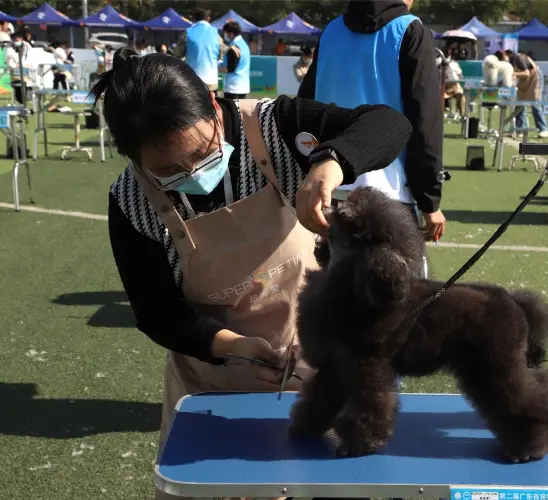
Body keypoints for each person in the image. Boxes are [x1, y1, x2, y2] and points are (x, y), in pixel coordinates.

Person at [91, 48, 412, 500]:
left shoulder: (274, 125)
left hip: (318, 363)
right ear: (132, 158)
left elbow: (389, 124)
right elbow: (157, 313)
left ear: (211, 101)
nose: (192, 173)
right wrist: (234, 347)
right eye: (167, 171)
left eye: (201, 151)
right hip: (211, 382)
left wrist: (331, 161)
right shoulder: (130, 200)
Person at [299, 0, 447, 248]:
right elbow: (425, 120)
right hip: (389, 192)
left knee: (328, 283)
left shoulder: (331, 30)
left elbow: (305, 106)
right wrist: (429, 200)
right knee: (393, 285)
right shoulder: (410, 29)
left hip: (327, 188)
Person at [506, 49, 548, 139]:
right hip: (526, 81)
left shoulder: (519, 58)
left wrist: (512, 74)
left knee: (535, 104)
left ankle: (543, 129)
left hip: (535, 78)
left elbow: (526, 73)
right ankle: (519, 130)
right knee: (520, 105)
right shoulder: (513, 61)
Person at [184, 9, 222, 92]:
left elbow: (178, 53)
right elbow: (220, 55)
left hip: (192, 81)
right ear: (208, 18)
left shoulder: (187, 32)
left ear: (194, 19)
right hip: (211, 81)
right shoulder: (216, 33)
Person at [219, 22, 251, 99]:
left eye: (226, 33)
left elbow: (230, 68)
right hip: (243, 87)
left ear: (231, 34)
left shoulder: (234, 47)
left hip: (233, 88)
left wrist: (216, 68)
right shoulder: (244, 45)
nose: (225, 35)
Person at [5, 32, 32, 104]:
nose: (16, 40)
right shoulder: (10, 45)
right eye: (15, 39)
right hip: (15, 68)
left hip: (24, 67)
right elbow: (9, 56)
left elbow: (26, 56)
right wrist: (14, 64)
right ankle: (20, 99)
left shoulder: (26, 45)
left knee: (23, 83)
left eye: (17, 39)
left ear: (22, 38)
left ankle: (24, 99)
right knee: (17, 84)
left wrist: (20, 63)